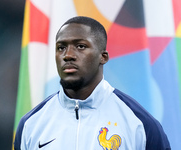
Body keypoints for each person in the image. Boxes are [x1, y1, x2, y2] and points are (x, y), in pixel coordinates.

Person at [14, 16, 171, 150]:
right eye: (61, 48)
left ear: (103, 57)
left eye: (80, 46)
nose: (67, 55)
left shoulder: (140, 124)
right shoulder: (31, 124)